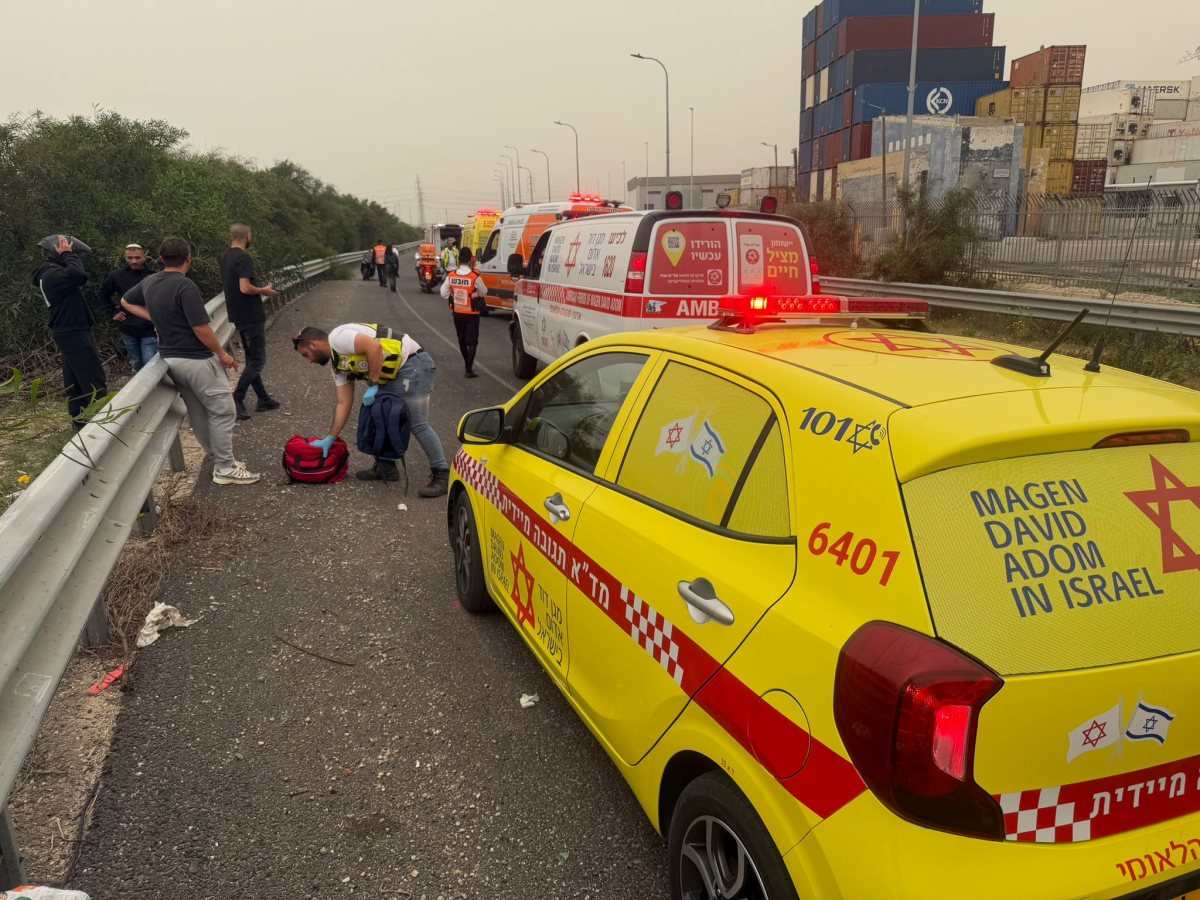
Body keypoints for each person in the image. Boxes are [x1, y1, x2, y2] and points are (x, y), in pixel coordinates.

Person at [121, 237, 259, 485]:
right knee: (223, 410)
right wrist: (222, 353)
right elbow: (201, 329)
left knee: (198, 412)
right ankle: (226, 468)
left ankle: (220, 460)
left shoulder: (149, 281)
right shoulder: (185, 286)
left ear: (161, 259)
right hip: (196, 359)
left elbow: (126, 301)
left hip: (171, 359)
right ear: (188, 259)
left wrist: (153, 317)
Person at [293, 323, 449, 496]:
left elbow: (374, 347)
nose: (309, 361)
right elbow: (343, 403)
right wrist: (330, 437)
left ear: (314, 344)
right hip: (392, 372)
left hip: (412, 363)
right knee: (379, 414)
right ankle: (386, 467)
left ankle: (442, 474)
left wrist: (373, 385)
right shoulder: (338, 367)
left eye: (306, 355)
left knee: (417, 423)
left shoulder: (339, 338)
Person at [32, 234, 109, 430]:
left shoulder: (49, 273)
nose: (73, 255)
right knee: (93, 379)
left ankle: (80, 423)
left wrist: (67, 255)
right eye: (68, 252)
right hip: (72, 331)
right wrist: (68, 254)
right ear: (55, 252)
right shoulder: (50, 275)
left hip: (69, 331)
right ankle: (107, 424)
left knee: (75, 381)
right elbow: (78, 275)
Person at [220, 223, 280, 421]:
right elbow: (245, 288)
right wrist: (264, 290)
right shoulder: (243, 258)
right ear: (247, 235)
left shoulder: (226, 257)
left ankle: (263, 399)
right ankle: (237, 398)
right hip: (251, 316)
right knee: (257, 360)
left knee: (251, 358)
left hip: (237, 315)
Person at [98, 243, 157, 372]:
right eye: (130, 258)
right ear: (125, 257)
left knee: (150, 366)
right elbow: (103, 294)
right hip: (128, 329)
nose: (134, 261)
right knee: (136, 365)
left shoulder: (153, 276)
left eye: (137, 257)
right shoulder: (117, 275)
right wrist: (112, 312)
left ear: (144, 256)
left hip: (149, 329)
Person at [440, 247, 487, 378]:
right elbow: (484, 292)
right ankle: (468, 369)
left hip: (458, 313)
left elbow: (443, 293)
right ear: (471, 260)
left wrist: (453, 294)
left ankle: (467, 364)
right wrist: (475, 293)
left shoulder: (452, 275)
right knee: (472, 342)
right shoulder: (475, 276)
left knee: (462, 340)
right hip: (472, 314)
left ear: (459, 259)